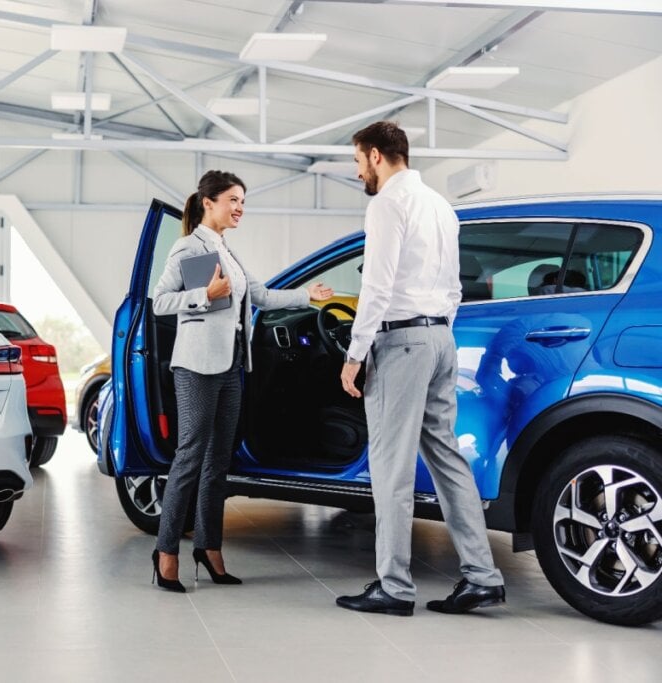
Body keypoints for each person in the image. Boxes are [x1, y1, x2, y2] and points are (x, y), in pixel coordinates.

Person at [335, 121, 506, 616]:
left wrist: (355, 353)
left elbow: (378, 286)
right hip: (439, 338)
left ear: (374, 155)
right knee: (448, 459)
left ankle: (393, 586)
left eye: (356, 161)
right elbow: (454, 287)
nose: (357, 170)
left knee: (390, 468)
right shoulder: (439, 205)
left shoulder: (387, 203)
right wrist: (436, 331)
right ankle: (482, 576)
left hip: (402, 341)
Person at [150, 169, 334, 592]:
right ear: (208, 202)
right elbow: (160, 301)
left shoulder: (226, 251)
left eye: (243, 202)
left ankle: (209, 547)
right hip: (196, 366)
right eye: (233, 200)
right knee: (189, 458)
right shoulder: (188, 247)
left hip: (232, 366)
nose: (240, 208)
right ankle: (166, 553)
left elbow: (263, 296)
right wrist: (203, 296)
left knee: (218, 464)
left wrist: (308, 296)